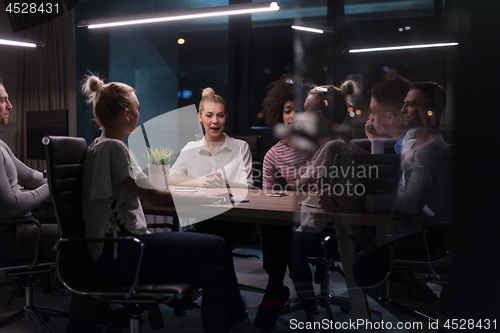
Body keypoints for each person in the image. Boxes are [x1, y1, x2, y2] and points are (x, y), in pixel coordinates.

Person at [80, 75, 259, 333]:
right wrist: (205, 196)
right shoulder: (114, 149)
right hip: (123, 251)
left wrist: (195, 189)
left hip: (122, 249)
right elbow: (153, 197)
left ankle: (234, 324)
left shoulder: (102, 145)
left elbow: (149, 191)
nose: (141, 113)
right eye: (138, 108)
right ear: (126, 113)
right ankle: (241, 323)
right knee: (218, 245)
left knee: (213, 274)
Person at [169, 87, 255, 244]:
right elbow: (172, 177)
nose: (215, 121)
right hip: (200, 216)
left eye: (220, 116)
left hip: (233, 218)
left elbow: (248, 187)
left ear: (226, 117)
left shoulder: (241, 147)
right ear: (200, 117)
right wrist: (201, 181)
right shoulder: (190, 148)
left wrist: (224, 183)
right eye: (209, 115)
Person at [0, 77, 59, 262]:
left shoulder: (1, 145)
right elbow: (10, 206)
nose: (9, 106)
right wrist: (50, 187)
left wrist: (59, 180)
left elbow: (29, 176)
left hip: (21, 226)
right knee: (78, 235)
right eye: (2, 100)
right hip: (11, 234)